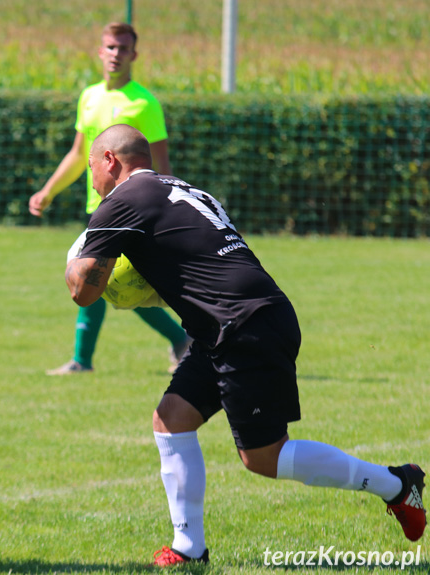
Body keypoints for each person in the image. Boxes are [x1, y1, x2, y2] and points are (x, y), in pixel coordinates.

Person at [65, 124, 426, 566]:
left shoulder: (119, 202)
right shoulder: (182, 189)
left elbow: (83, 291)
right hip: (240, 320)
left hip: (242, 325)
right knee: (172, 418)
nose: (92, 181)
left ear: (109, 160)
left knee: (263, 457)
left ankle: (396, 484)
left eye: (91, 168)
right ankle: (188, 550)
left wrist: (74, 262)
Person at [28, 22, 190, 376]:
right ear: (100, 52)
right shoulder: (89, 97)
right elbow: (77, 155)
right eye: (110, 47)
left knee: (117, 281)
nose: (116, 54)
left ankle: (180, 340)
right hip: (98, 208)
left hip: (133, 211)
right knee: (105, 280)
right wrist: (49, 189)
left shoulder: (144, 103)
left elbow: (161, 165)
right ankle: (88, 359)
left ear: (134, 54)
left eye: (123, 48)